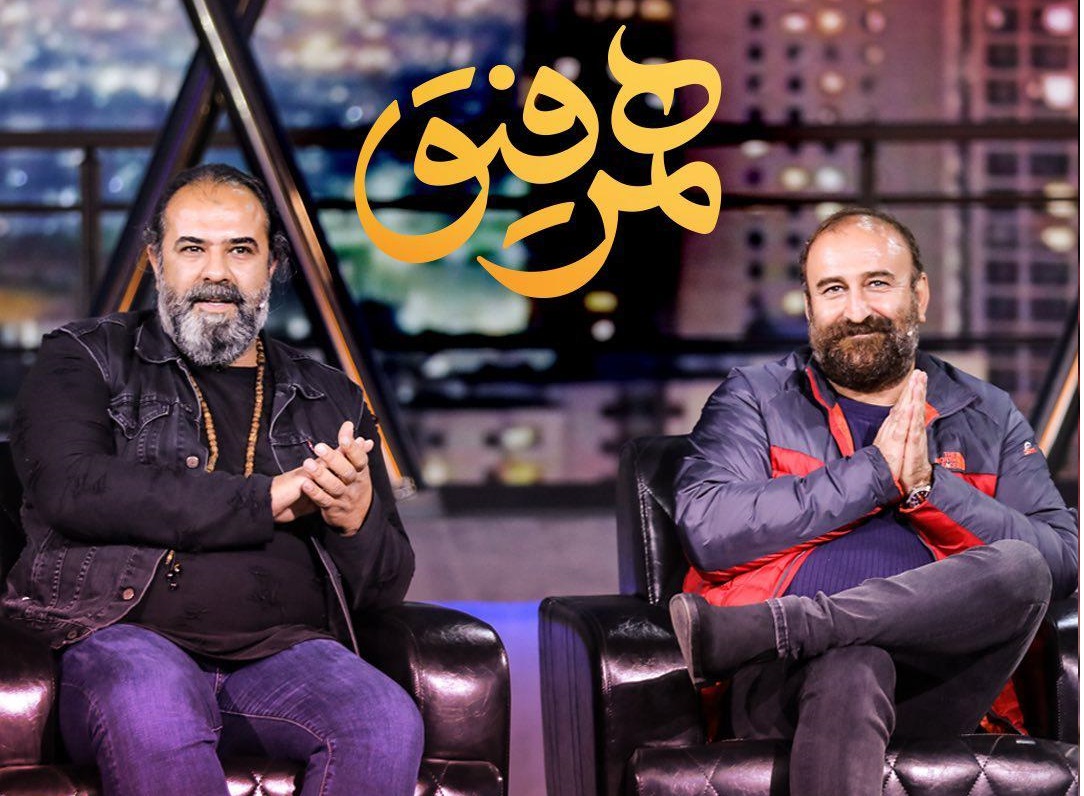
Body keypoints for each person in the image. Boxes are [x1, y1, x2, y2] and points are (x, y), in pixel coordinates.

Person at [2, 163, 424, 796]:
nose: (216, 273)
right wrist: (266, 497)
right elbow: (71, 485)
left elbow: (385, 588)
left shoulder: (331, 395)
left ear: (272, 265)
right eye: (193, 248)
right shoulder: (87, 356)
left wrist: (354, 519)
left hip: (284, 653)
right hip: (121, 637)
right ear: (156, 260)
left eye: (241, 250)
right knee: (152, 701)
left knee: (384, 719)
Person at [668, 207, 1078, 796]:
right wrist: (876, 474)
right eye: (833, 289)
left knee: (1022, 567)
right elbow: (711, 528)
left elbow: (1062, 559)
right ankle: (799, 636)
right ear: (809, 306)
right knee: (854, 665)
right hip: (780, 681)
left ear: (920, 295)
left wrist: (929, 488)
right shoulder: (754, 398)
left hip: (936, 683)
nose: (856, 310)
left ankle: (790, 626)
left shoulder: (987, 413)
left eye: (877, 283)